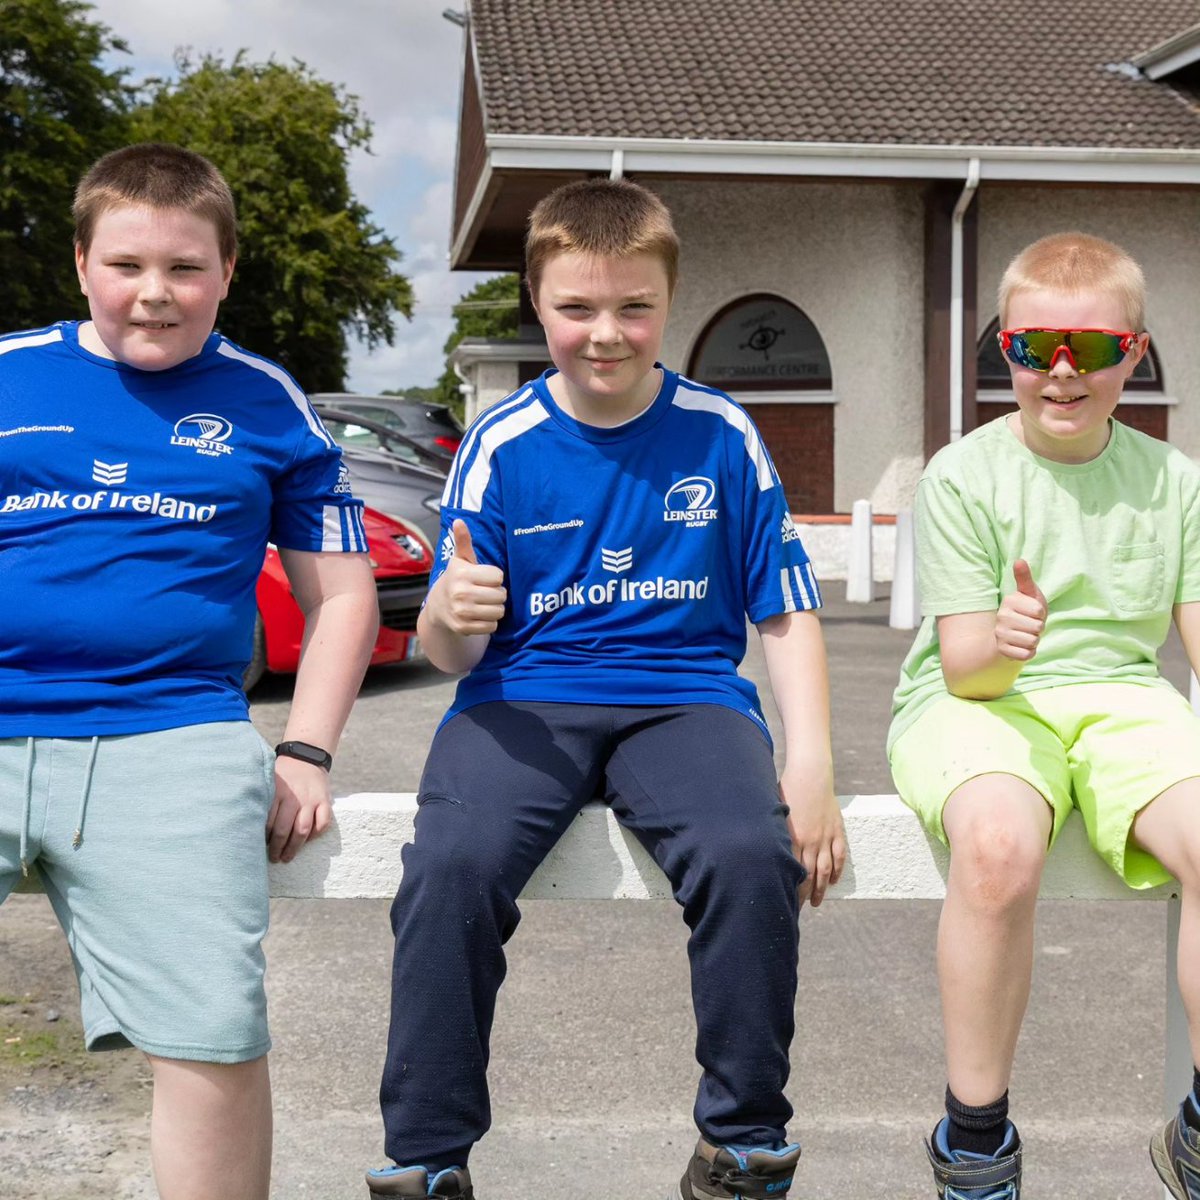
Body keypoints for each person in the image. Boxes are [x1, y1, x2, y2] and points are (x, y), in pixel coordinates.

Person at [367, 177, 843, 1200]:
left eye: (633, 307)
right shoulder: (501, 444)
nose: (607, 333)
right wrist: (449, 616)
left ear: (668, 302)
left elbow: (785, 609)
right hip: (521, 694)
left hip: (684, 697)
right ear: (538, 304)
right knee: (450, 865)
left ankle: (744, 1142)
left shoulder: (722, 434)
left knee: (749, 853)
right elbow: (446, 650)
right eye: (577, 307)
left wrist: (811, 765)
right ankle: (426, 1155)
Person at [0, 142, 379, 1200]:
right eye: (126, 265)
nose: (154, 295)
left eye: (185, 269)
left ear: (227, 273)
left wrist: (304, 750)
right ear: (81, 263)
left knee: (211, 1033)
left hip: (172, 738)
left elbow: (341, 596)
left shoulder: (268, 403)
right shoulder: (8, 373)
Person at [887, 231, 1200, 1199]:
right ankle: (975, 1143)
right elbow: (968, 669)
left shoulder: (1176, 481)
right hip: (977, 694)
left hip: (1122, 696)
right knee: (996, 848)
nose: (1062, 374)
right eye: (1033, 350)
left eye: (1094, 351)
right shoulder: (960, 476)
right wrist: (1009, 637)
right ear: (1005, 353)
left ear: (1134, 357)